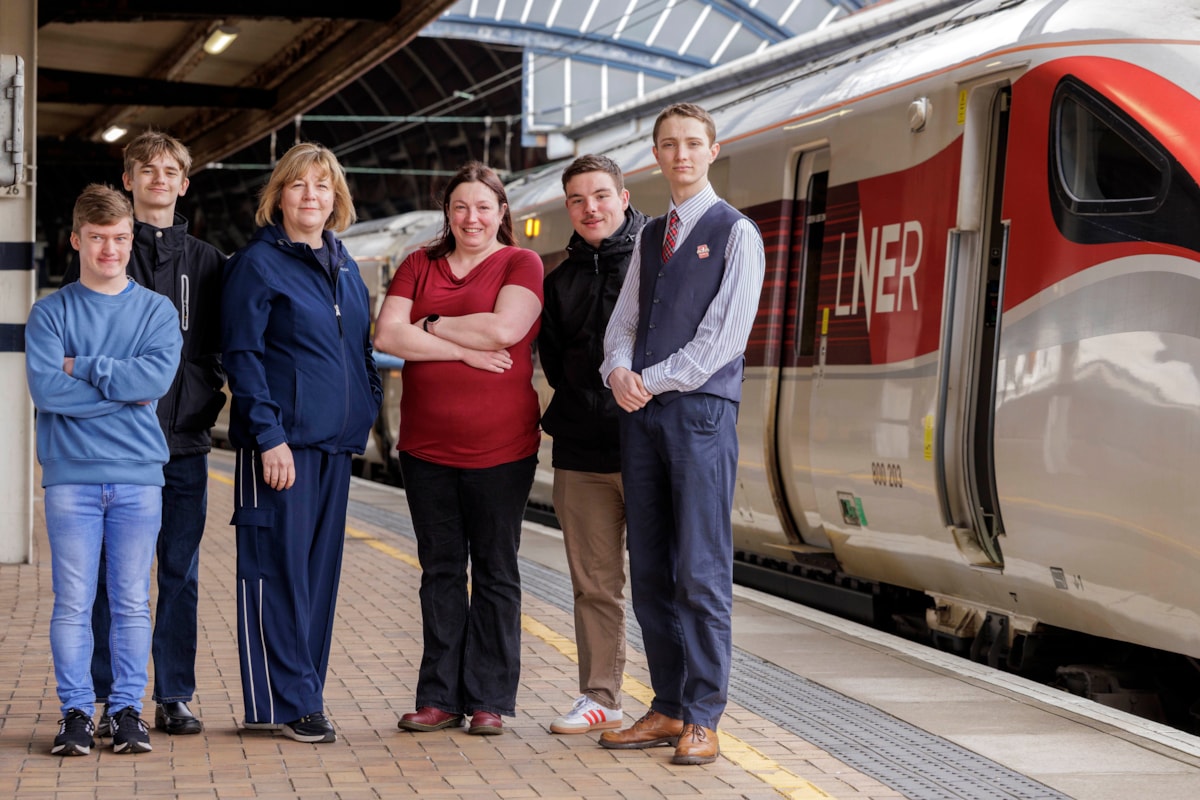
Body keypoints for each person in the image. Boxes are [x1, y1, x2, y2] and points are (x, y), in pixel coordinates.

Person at [598, 103, 765, 765]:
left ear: (713, 150)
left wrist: (649, 378)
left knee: (699, 571)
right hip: (643, 417)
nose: (681, 155)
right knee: (651, 571)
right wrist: (616, 369)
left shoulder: (735, 233)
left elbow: (723, 339)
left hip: (699, 419)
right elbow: (623, 323)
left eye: (692, 144)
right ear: (657, 155)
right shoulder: (649, 236)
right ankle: (666, 706)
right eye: (669, 145)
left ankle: (703, 716)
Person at [60, 130, 227, 737]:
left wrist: (202, 399)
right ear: (127, 180)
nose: (159, 179)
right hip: (114, 447)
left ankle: (172, 693)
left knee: (177, 570)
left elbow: (216, 351)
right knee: (111, 576)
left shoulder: (209, 263)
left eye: (170, 171)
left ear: (185, 183)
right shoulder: (109, 252)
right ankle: (110, 699)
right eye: (146, 169)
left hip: (183, 445)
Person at [373, 160, 542, 737]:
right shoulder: (419, 261)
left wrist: (435, 321)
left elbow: (505, 331)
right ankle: (439, 697)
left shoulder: (522, 262)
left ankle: (490, 699)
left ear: (501, 212)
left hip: (503, 449)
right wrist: (465, 352)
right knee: (440, 572)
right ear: (448, 212)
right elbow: (387, 335)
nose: (472, 217)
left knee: (496, 571)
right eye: (460, 206)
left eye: (483, 207)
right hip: (425, 448)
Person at [221, 141, 382, 744]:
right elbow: (243, 356)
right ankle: (289, 701)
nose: (311, 196)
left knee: (316, 578)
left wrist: (363, 409)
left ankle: (298, 695)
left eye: (322, 186)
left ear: (335, 198)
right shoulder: (257, 264)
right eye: (298, 185)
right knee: (276, 572)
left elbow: (360, 350)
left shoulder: (345, 265)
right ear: (279, 196)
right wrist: (268, 436)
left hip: (334, 447)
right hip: (281, 448)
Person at [27, 184, 182, 756]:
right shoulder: (50, 312)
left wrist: (83, 368)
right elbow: (46, 388)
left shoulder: (156, 311)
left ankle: (125, 713)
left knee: (131, 601)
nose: (110, 249)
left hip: (139, 477)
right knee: (72, 599)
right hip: (70, 477)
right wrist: (121, 391)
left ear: (131, 238)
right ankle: (74, 712)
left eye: (119, 238)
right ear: (76, 241)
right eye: (98, 239)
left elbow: (154, 384)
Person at [538, 155, 646, 735]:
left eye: (601, 196)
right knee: (594, 586)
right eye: (578, 200)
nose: (591, 208)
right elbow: (556, 367)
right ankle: (601, 695)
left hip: (650, 447)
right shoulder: (559, 281)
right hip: (582, 451)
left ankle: (676, 703)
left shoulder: (659, 263)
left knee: (664, 579)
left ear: (623, 197)